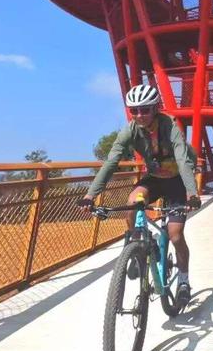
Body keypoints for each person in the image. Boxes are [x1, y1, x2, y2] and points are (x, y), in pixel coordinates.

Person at [80, 83, 201, 306]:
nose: (139, 115)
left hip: (176, 182)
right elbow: (111, 162)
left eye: (144, 110)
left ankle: (184, 281)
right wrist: (90, 195)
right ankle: (138, 246)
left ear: (155, 108)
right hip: (154, 179)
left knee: (175, 235)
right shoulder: (130, 130)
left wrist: (192, 194)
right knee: (132, 202)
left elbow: (183, 160)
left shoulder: (170, 126)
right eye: (134, 110)